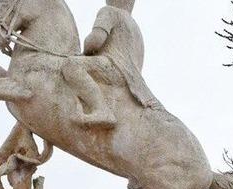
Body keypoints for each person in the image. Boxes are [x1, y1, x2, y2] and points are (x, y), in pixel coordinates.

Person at [61, 0, 162, 128]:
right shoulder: (135, 28)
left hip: (114, 67)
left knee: (72, 65)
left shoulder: (109, 11)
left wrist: (84, 50)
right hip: (132, 79)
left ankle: (101, 109)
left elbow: (95, 42)